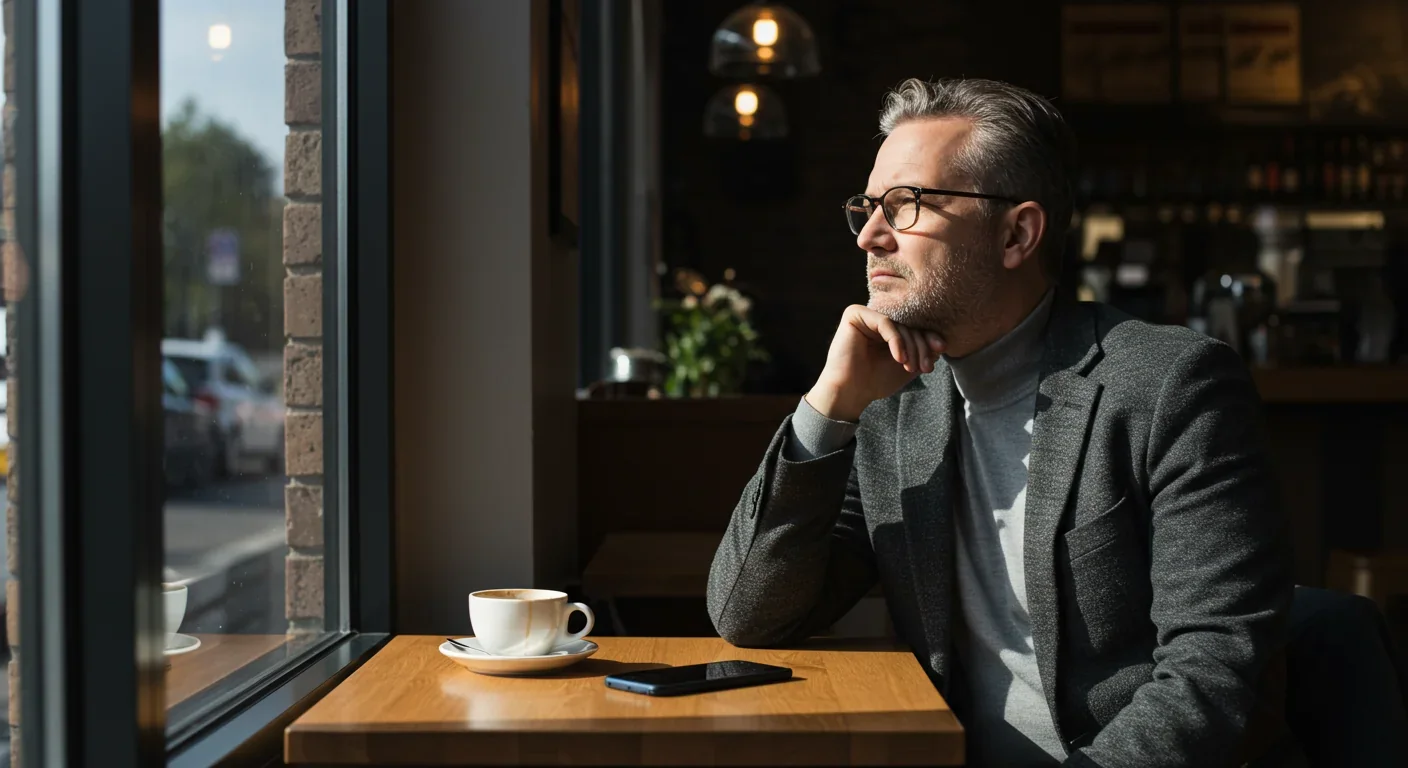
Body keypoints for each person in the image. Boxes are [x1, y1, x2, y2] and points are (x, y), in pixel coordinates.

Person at [707, 78, 1294, 767]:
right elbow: (751, 613)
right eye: (868, 207)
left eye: (906, 205)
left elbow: (1213, 673)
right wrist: (827, 408)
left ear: (1016, 233)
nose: (869, 235)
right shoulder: (895, 400)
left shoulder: (1170, 386)